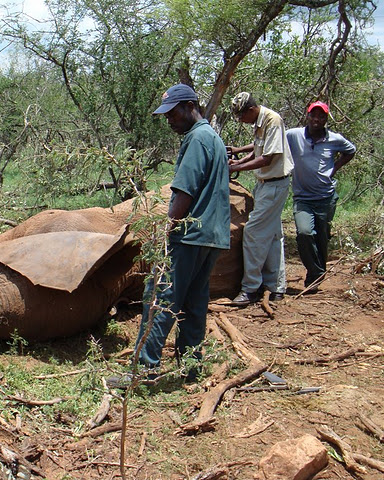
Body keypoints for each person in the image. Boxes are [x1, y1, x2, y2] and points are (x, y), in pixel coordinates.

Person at [111, 84, 230, 386]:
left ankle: (143, 370)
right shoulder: (213, 138)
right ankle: (190, 368)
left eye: (173, 113)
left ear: (190, 106)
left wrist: (166, 232)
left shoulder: (197, 139)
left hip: (189, 234)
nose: (169, 120)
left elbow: (184, 191)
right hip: (211, 235)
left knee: (160, 297)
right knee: (194, 302)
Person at [228, 92, 294, 306]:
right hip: (266, 184)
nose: (240, 121)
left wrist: (237, 167)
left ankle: (250, 288)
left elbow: (267, 157)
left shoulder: (272, 120)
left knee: (253, 232)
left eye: (241, 117)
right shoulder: (260, 121)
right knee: (274, 236)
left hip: (274, 184)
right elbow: (258, 148)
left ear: (250, 110)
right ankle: (276, 286)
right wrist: (239, 151)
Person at [286, 101, 356, 292]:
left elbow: (351, 151)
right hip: (303, 198)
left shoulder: (335, 139)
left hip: (325, 197)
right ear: (307, 116)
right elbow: (272, 142)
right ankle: (316, 271)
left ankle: (314, 278)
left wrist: (335, 168)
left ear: (326, 119)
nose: (317, 119)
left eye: (321, 116)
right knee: (305, 233)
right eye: (313, 115)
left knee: (322, 237)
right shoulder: (293, 135)